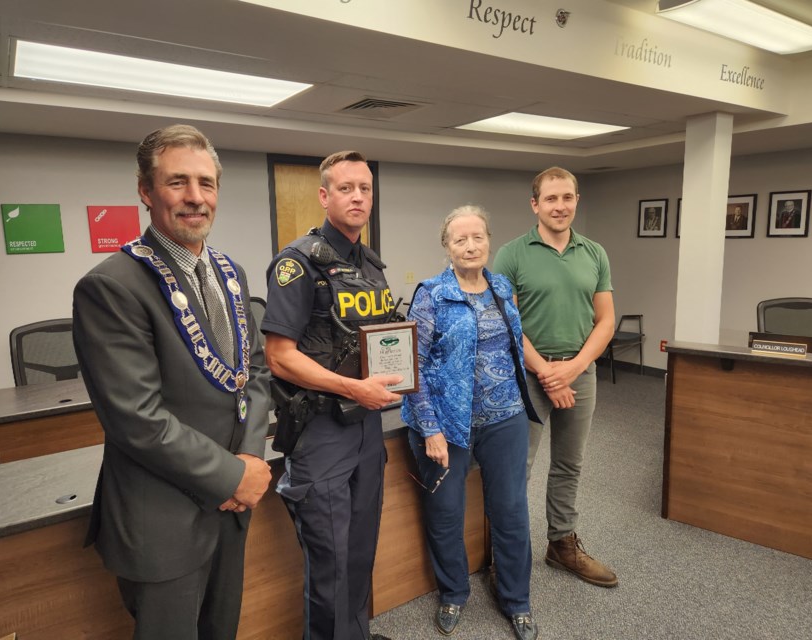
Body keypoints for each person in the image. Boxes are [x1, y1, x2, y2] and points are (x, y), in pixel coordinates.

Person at [72, 124, 273, 640]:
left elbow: (254, 373)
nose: (195, 198)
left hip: (230, 509)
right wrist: (233, 476)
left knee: (221, 631)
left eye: (206, 184)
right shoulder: (112, 286)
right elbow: (136, 419)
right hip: (162, 519)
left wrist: (248, 463)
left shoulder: (232, 273)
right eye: (177, 182)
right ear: (145, 190)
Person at [261, 150, 400, 640]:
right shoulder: (297, 263)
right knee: (331, 560)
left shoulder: (370, 264)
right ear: (325, 196)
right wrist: (350, 387)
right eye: (346, 188)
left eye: (364, 188)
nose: (358, 196)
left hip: (364, 425)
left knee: (361, 548)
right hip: (320, 430)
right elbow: (279, 356)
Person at [402, 205, 540, 640]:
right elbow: (413, 369)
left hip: (506, 419)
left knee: (512, 512)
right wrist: (430, 428)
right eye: (460, 239)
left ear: (488, 241)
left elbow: (515, 348)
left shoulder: (501, 288)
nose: (470, 245)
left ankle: (517, 601)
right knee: (445, 513)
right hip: (447, 424)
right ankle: (453, 593)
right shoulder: (430, 294)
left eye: (477, 237)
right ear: (447, 246)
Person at [493, 166, 619, 590]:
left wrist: (574, 368)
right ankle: (504, 555)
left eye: (567, 197)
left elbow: (605, 321)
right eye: (551, 198)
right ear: (535, 204)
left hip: (580, 374)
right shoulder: (512, 253)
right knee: (517, 468)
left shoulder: (594, 253)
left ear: (576, 200)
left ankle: (561, 544)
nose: (560, 206)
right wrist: (547, 371)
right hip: (529, 377)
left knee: (570, 464)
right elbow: (508, 324)